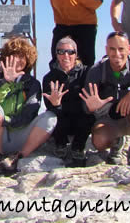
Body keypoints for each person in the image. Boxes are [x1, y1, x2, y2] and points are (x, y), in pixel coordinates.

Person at [80, 31, 130, 165]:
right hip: (109, 119)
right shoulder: (97, 71)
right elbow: (86, 105)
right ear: (106, 50)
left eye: (121, 49)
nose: (117, 54)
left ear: (128, 49)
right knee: (99, 140)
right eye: (112, 49)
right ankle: (117, 143)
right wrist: (91, 107)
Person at [0, 37, 57, 173]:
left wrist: (6, 121)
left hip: (21, 136)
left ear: (28, 59)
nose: (17, 60)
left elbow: (30, 112)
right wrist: (6, 81)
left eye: (22, 56)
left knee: (50, 117)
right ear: (5, 58)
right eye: (13, 55)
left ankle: (18, 157)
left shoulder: (32, 83)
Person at [42, 37, 95, 167]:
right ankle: (61, 145)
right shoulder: (49, 78)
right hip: (62, 118)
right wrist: (56, 104)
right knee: (51, 116)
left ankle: (78, 147)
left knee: (89, 114)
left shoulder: (87, 73)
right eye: (61, 52)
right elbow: (49, 106)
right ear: (56, 54)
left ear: (76, 54)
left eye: (70, 52)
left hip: (81, 117)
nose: (66, 55)